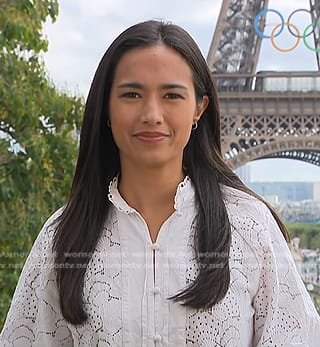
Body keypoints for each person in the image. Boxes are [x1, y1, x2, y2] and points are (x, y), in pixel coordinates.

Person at [1, 19, 319, 347]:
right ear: (106, 106)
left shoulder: (251, 228)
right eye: (132, 94)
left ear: (199, 108)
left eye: (171, 95)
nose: (152, 113)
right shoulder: (60, 238)